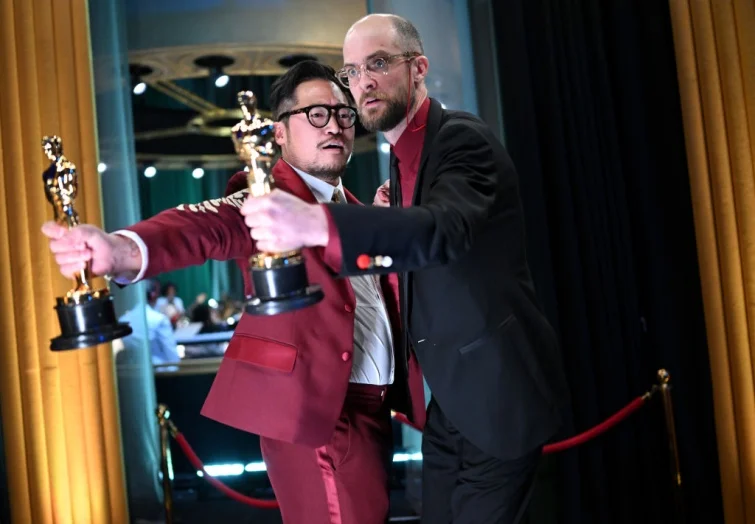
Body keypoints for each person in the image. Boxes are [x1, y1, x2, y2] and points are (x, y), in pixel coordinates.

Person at [41, 60, 425, 524]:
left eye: (344, 115)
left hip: (375, 411)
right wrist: (121, 250)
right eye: (317, 114)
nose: (335, 126)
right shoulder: (265, 201)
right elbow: (202, 227)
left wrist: (388, 228)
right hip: (320, 415)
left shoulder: (357, 210)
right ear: (279, 133)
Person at [240, 14, 572, 524]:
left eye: (378, 63)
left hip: (499, 396)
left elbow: (443, 230)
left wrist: (318, 223)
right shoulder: (398, 162)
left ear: (418, 69)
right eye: (352, 72)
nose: (363, 82)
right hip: (451, 405)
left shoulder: (461, 140)